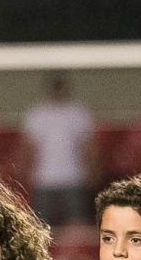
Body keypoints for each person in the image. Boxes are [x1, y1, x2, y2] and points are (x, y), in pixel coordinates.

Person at [21, 75, 95, 226]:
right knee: (41, 225)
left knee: (77, 223)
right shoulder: (37, 114)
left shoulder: (77, 113)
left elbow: (87, 146)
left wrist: (91, 169)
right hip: (44, 178)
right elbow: (29, 147)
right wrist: (26, 172)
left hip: (73, 177)